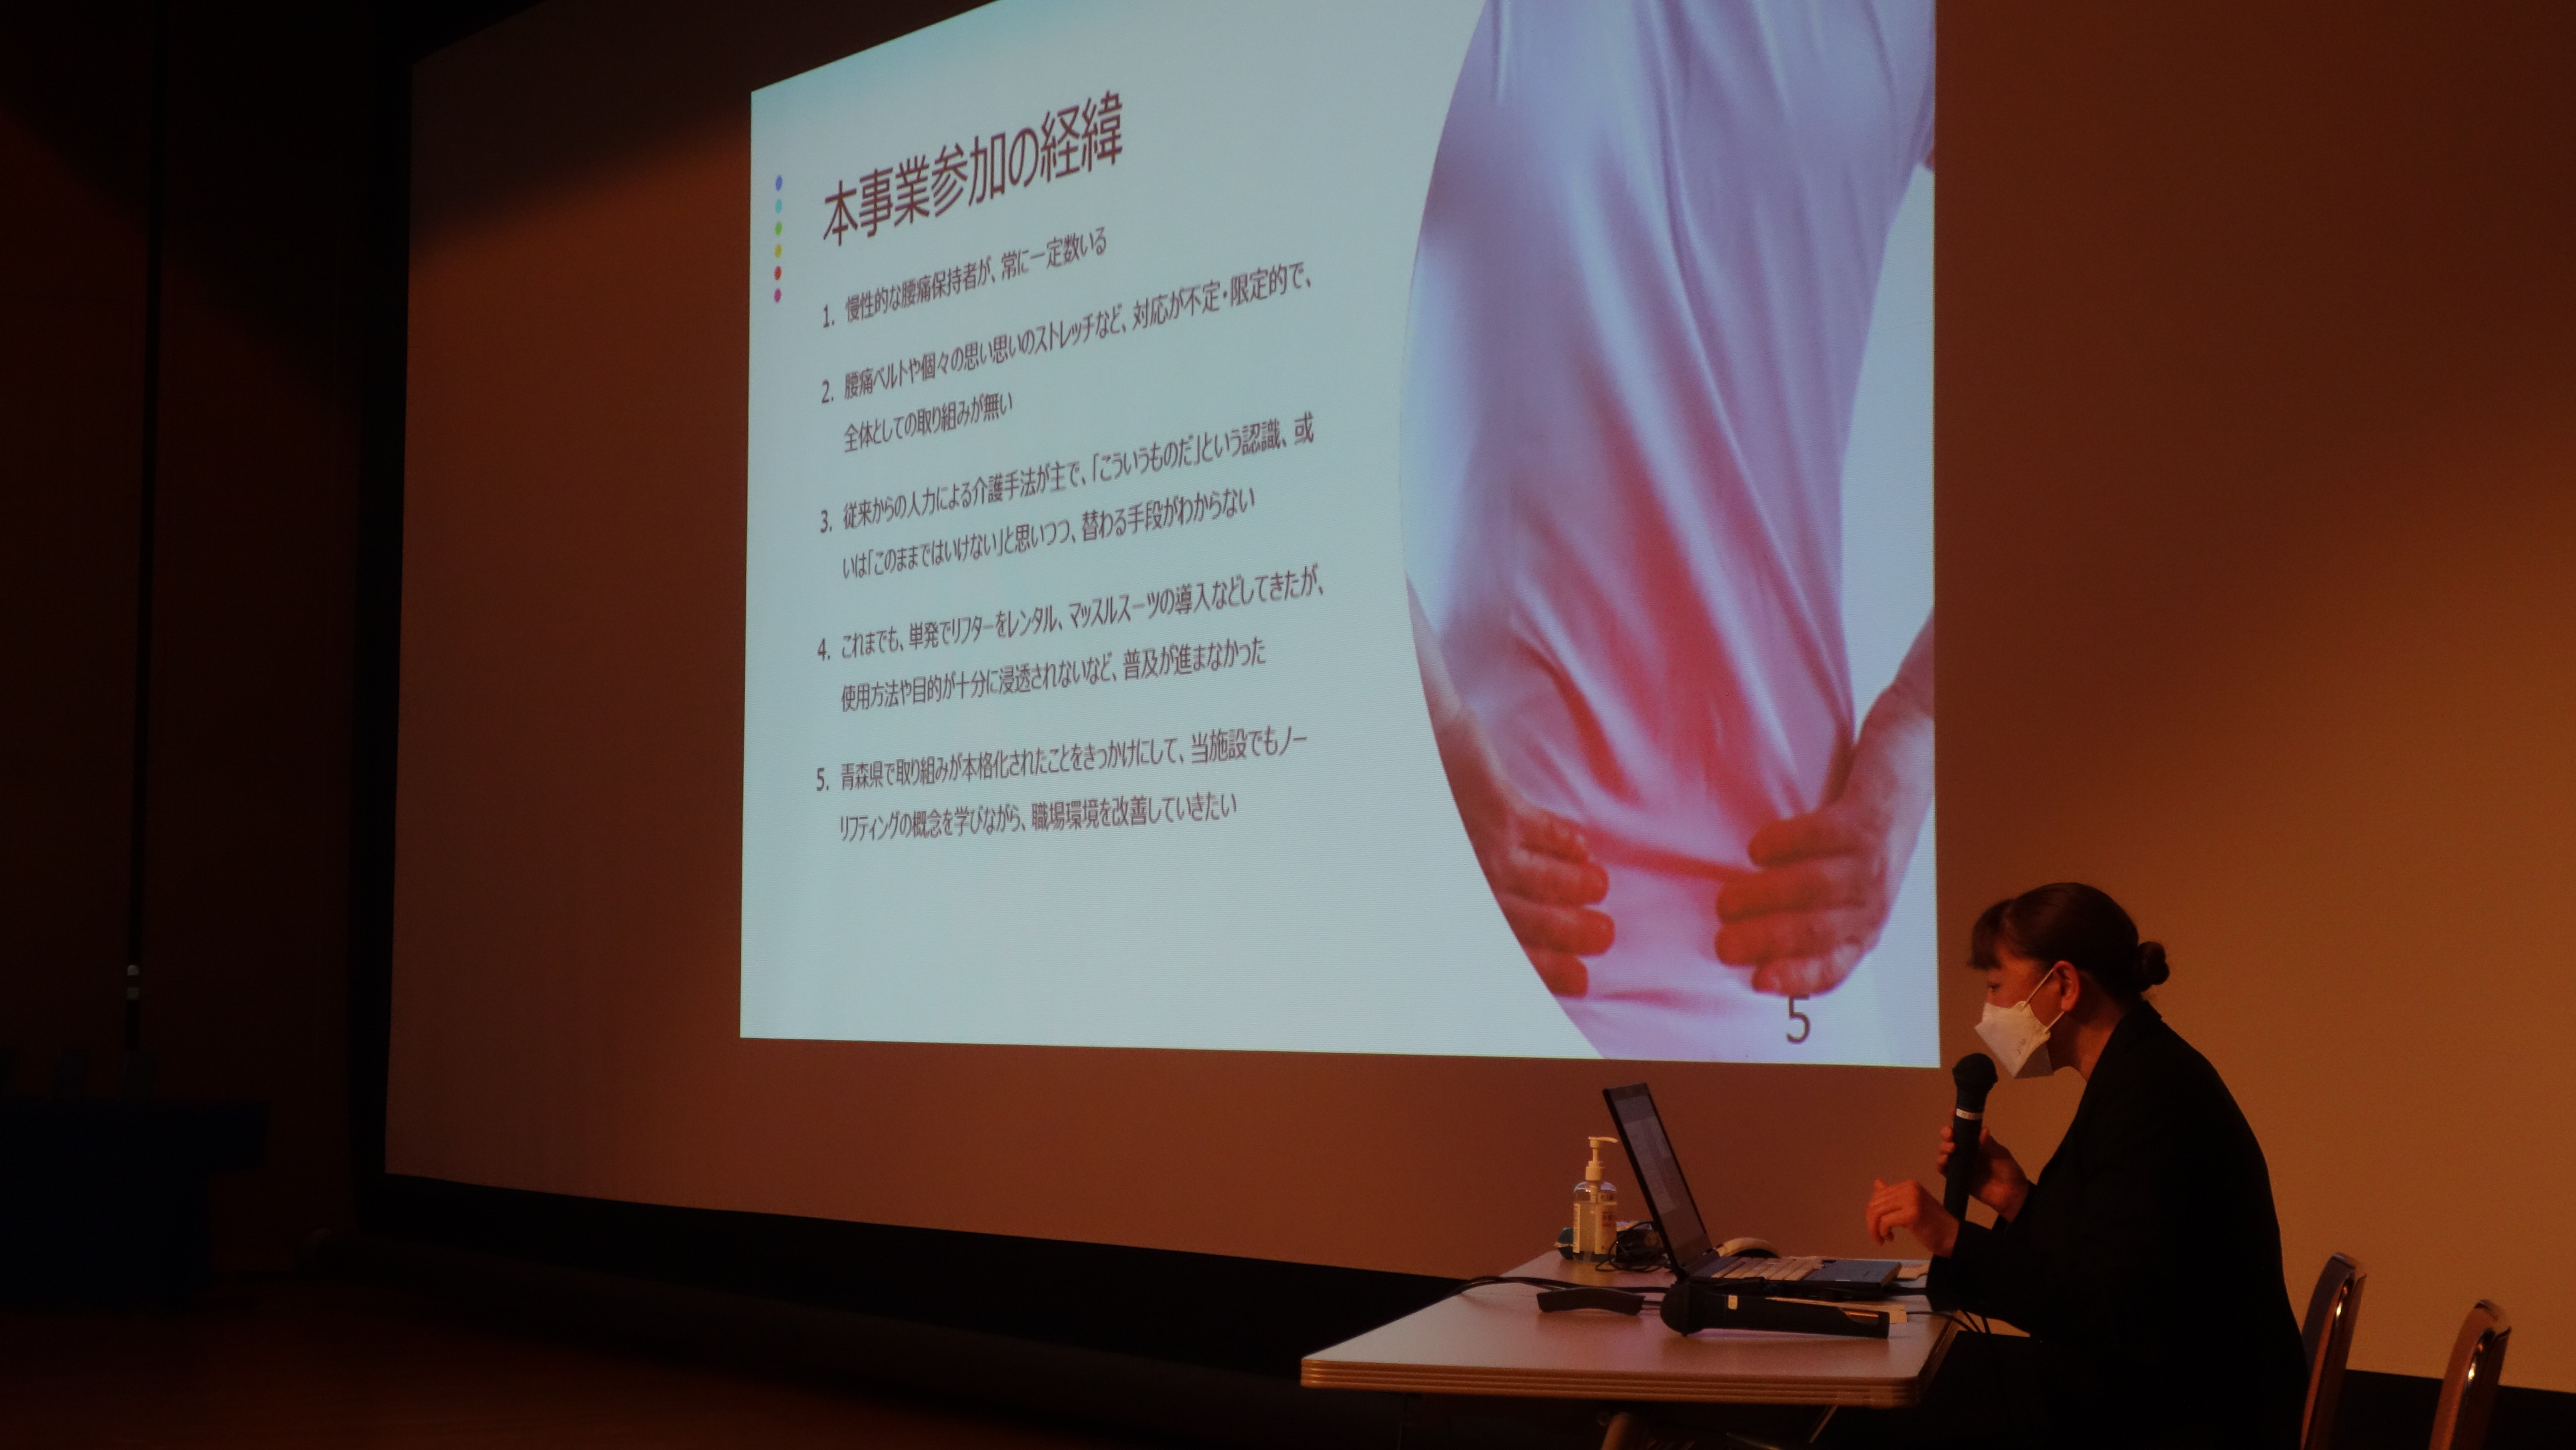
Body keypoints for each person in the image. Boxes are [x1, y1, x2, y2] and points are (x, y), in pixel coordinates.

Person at [1400, 0, 1937, 1060]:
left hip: (1790, 997)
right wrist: (1424, 743)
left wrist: (1922, 724)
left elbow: (2121, 319)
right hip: (1475, 957)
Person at [1860, 884, 2306, 1448]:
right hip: (2174, 1401)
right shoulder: (2139, 1071)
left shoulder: (2148, 1094)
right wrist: (2016, 1198)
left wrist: (1952, 1236)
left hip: (2188, 1420)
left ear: (2065, 985)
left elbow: (2109, 1310)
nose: (1989, 1009)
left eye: (1996, 985)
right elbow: (2107, 1258)